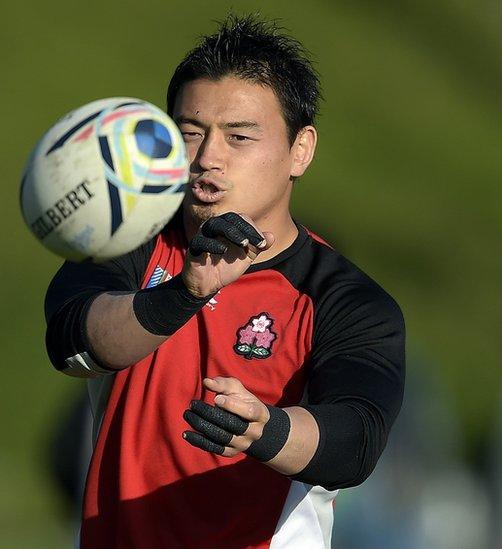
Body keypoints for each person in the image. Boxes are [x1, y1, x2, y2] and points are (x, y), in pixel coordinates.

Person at [43, 14, 405, 548]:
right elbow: (73, 339)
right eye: (191, 134)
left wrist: (267, 430)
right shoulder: (128, 244)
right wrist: (183, 293)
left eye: (238, 137)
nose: (207, 158)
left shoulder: (342, 298)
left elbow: (357, 441)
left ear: (299, 150)